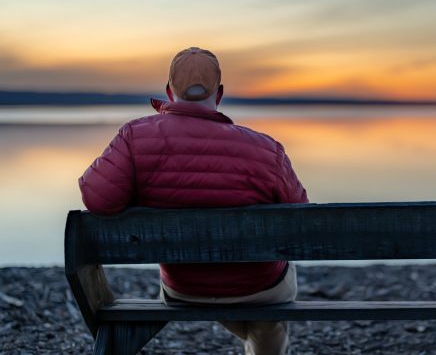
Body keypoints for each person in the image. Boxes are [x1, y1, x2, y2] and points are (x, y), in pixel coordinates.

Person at [78, 47, 308, 355]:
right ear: (221, 93)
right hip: (259, 288)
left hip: (183, 287)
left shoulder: (135, 137)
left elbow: (98, 200)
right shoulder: (267, 149)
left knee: (253, 314)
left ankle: (256, 337)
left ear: (169, 92)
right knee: (268, 317)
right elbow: (301, 221)